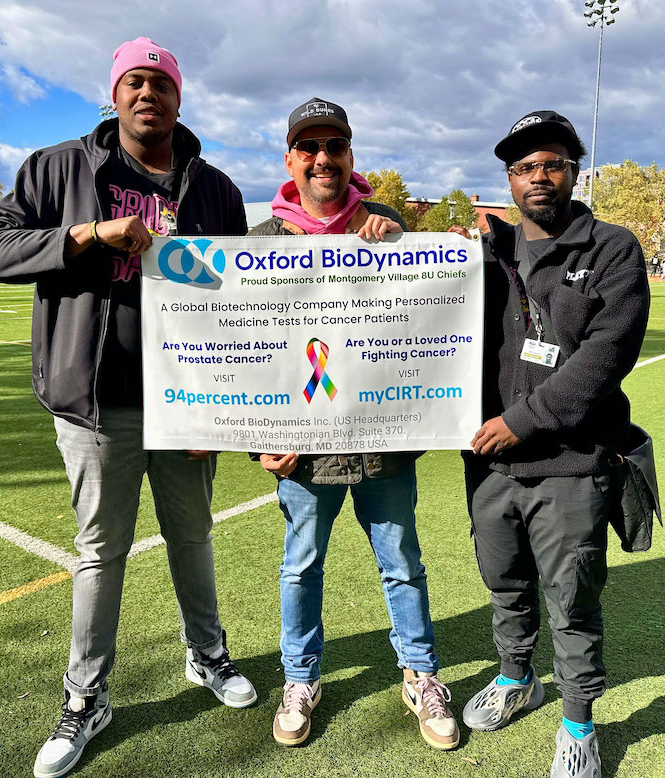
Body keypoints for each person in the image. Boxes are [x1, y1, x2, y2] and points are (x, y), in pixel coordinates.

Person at [0, 37, 255, 778]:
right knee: (101, 552)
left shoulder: (215, 188)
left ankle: (209, 655)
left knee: (193, 537)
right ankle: (85, 697)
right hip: (98, 402)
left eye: (160, 83)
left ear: (177, 97)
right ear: (115, 93)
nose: (147, 95)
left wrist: (220, 407)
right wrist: (88, 234)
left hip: (189, 399)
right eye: (134, 82)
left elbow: (241, 299)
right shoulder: (58, 167)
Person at [248, 98, 459, 751]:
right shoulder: (262, 241)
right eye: (308, 147)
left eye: (333, 146)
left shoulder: (389, 225)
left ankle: (420, 674)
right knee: (300, 565)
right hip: (302, 452)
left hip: (382, 445)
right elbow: (246, 349)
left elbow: (431, 320)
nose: (322, 159)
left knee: (401, 562)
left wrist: (404, 248)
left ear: (350, 155)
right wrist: (261, 439)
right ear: (289, 159)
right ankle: (300, 677)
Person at [459, 111, 649, 778]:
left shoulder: (614, 248)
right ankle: (517, 678)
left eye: (552, 164)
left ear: (574, 171)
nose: (538, 177)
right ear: (508, 181)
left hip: (572, 462)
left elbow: (605, 357)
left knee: (572, 599)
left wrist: (525, 418)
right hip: (488, 464)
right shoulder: (487, 254)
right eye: (523, 168)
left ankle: (578, 723)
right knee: (505, 583)